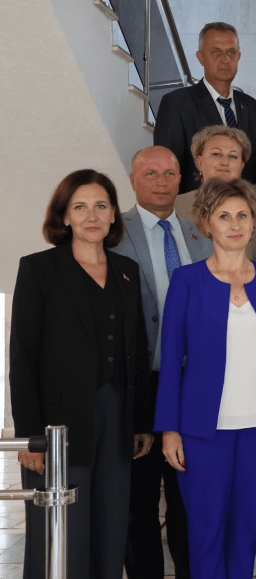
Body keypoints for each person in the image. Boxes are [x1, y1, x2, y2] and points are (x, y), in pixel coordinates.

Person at [155, 177, 256, 579]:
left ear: (254, 222)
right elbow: (170, 361)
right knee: (206, 532)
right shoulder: (187, 280)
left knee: (245, 531)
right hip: (202, 430)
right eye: (224, 216)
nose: (235, 224)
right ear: (206, 223)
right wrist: (169, 429)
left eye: (242, 215)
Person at [10, 169, 154, 579]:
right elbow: (22, 356)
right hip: (58, 423)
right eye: (80, 207)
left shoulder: (127, 270)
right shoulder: (38, 269)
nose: (92, 216)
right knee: (60, 527)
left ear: (113, 215)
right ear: (64, 216)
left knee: (110, 523)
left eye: (101, 206)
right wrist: (31, 435)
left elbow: (137, 351)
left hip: (117, 416)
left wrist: (141, 421)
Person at [114, 146, 214, 579]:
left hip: (195, 386)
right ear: (132, 180)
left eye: (169, 173)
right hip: (140, 385)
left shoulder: (201, 235)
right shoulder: (113, 235)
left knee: (188, 499)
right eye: (150, 173)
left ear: (181, 180)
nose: (161, 181)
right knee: (137, 503)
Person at [154, 22, 256, 193]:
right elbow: (167, 170)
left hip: (245, 207)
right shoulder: (177, 104)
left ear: (238, 57)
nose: (225, 59)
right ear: (201, 57)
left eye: (231, 52)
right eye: (216, 52)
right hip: (195, 206)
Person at [174, 125, 256, 263]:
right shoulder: (176, 207)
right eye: (216, 154)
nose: (225, 162)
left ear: (242, 165)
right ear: (200, 162)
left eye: (233, 156)